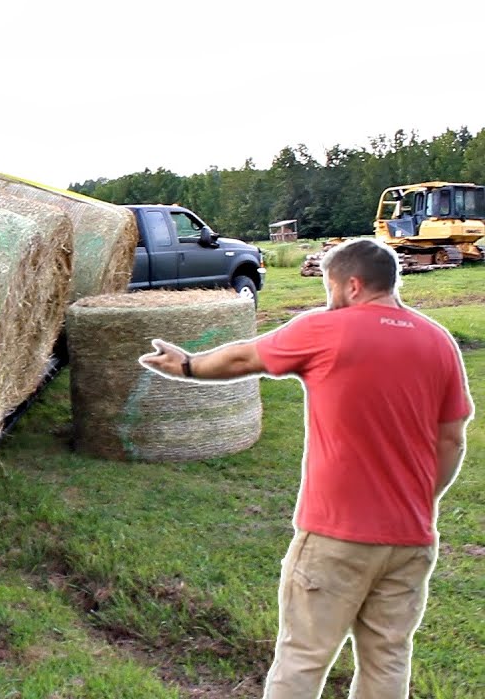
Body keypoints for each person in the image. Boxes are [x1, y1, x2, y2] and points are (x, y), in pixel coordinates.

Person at [139, 237, 471, 699]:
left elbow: (243, 357)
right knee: (389, 659)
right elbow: (452, 438)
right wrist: (421, 499)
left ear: (352, 285)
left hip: (336, 535)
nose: (327, 299)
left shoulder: (326, 329)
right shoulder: (438, 341)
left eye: (330, 288)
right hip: (411, 538)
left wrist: (189, 366)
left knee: (303, 658)